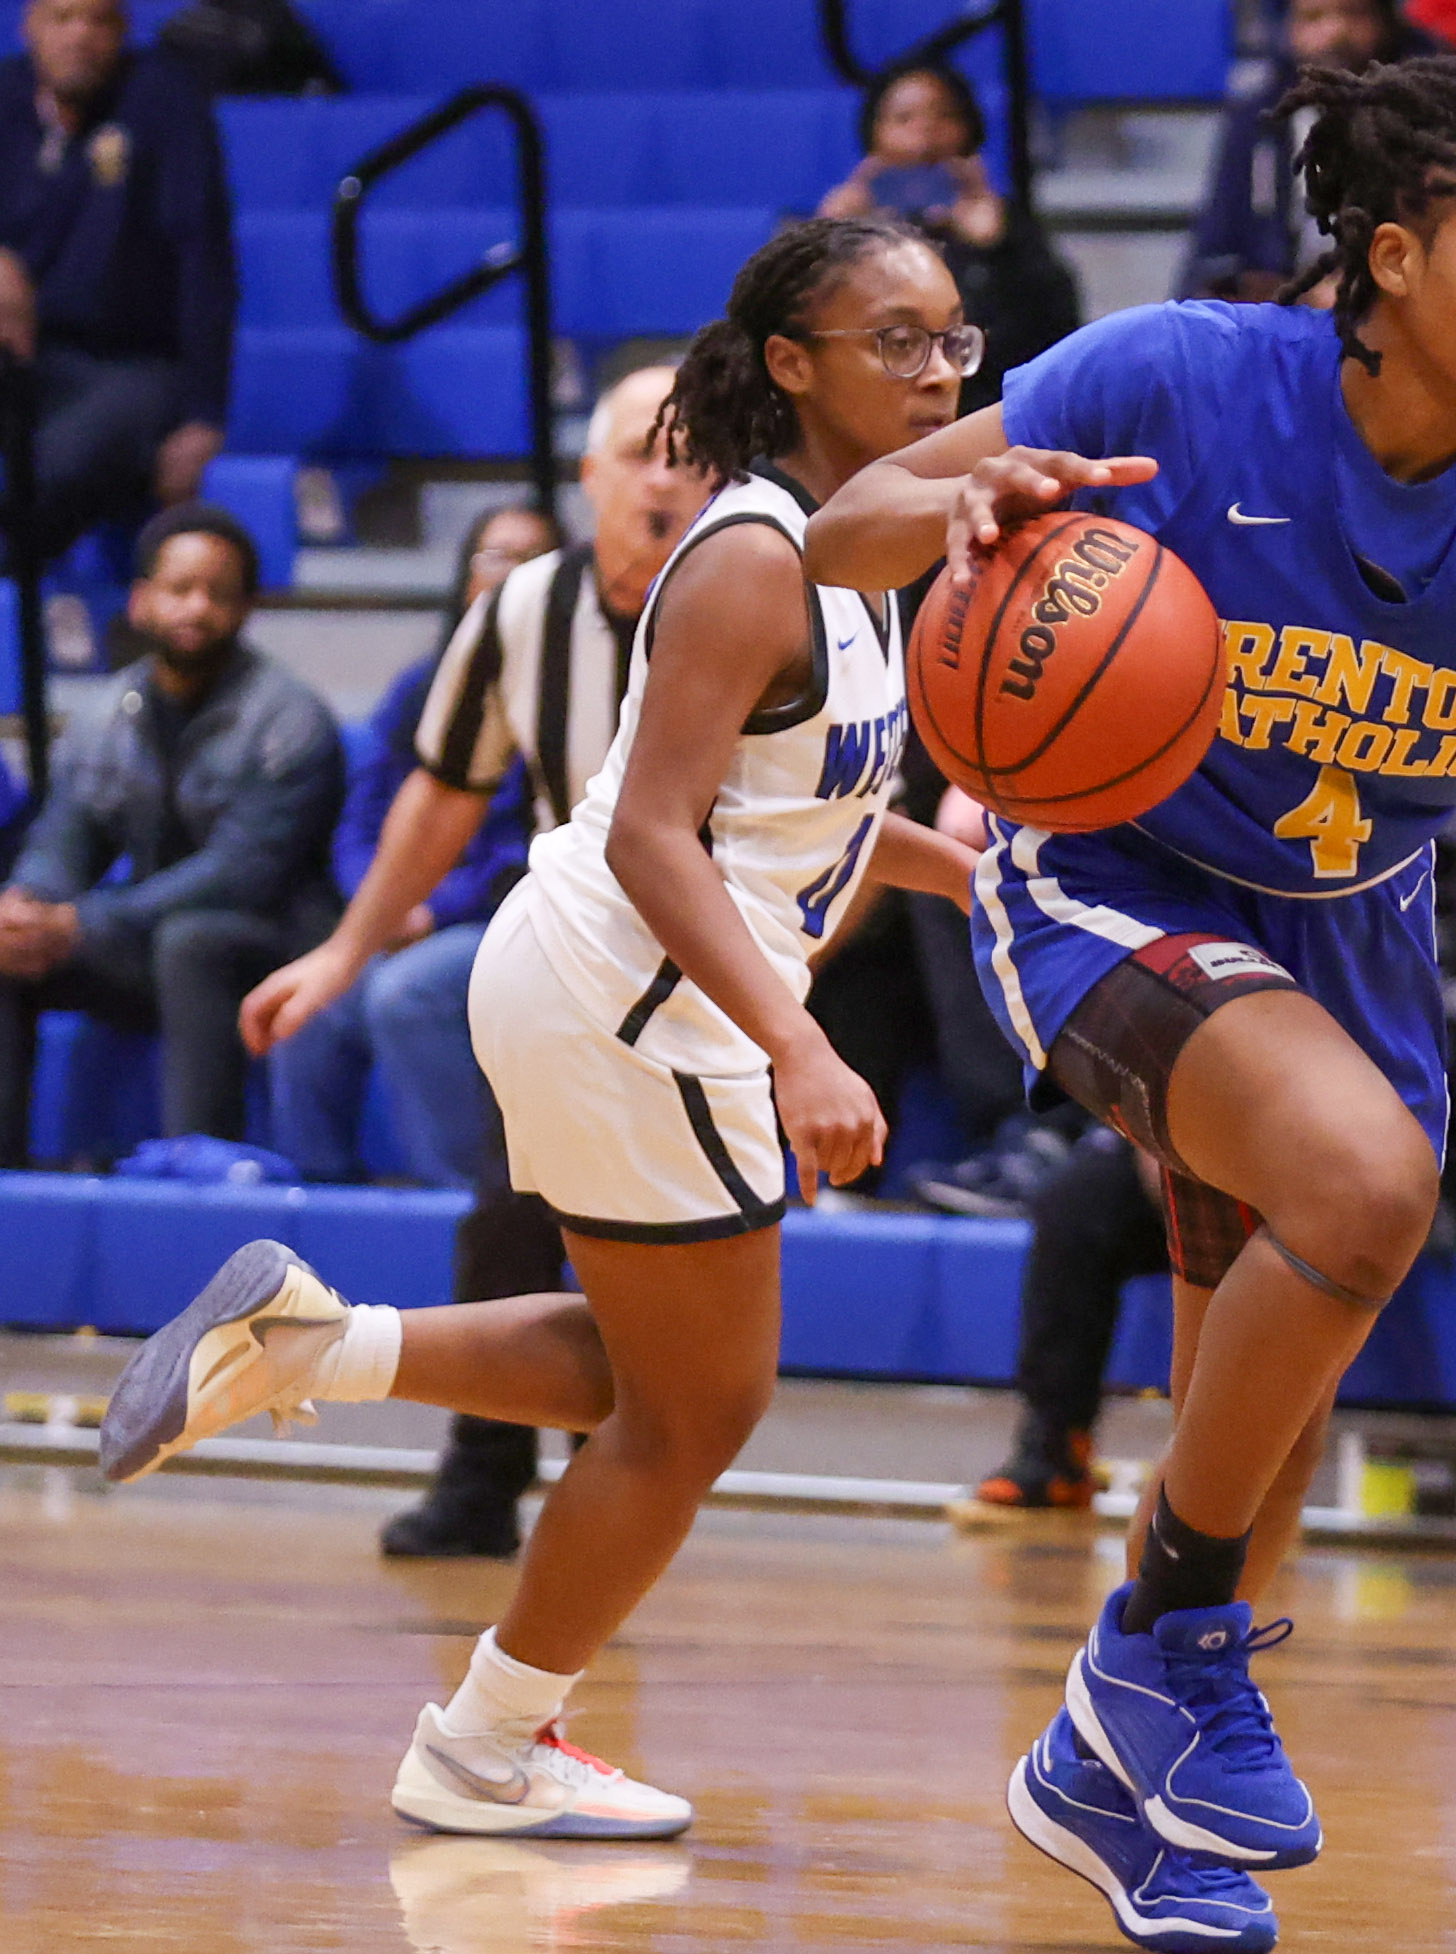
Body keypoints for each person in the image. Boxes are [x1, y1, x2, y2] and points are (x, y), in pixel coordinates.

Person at [807, 54, 1456, 1949]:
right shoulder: (1172, 373)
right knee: (1355, 1188)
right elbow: (829, 534)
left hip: (1350, 920)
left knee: (1253, 1420)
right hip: (1105, 869)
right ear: (1394, 256)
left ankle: (1115, 1794)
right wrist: (953, 494)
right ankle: (1145, 1645)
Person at [100, 217, 983, 1846]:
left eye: (954, 341)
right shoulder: (751, 556)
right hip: (635, 981)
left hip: (622, 975)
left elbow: (793, 810)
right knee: (698, 1407)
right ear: (791, 364)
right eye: (897, 342)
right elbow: (652, 825)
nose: (938, 375)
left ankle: (317, 1355)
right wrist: (798, 1040)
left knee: (672, 1379)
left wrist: (952, 862)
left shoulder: (847, 558)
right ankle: (483, 1742)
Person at [240, 366, 712, 1562]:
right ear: (590, 475)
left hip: (726, 968)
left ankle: (617, 1478)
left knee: (683, 1301)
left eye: (693, 453)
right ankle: (487, 1483)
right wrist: (344, 953)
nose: (668, 473)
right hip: (579, 961)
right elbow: (443, 793)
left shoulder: (752, 596)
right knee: (509, 1217)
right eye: (642, 451)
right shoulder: (526, 610)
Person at [0, 502, 339, 1163]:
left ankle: (201, 1168)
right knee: (6, 950)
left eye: (218, 593)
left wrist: (82, 923)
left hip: (276, 947)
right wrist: (29, 906)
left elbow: (243, 873)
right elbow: (67, 834)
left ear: (246, 610)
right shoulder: (107, 714)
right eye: (180, 589)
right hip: (141, 939)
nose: (196, 609)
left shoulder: (290, 719)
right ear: (139, 601)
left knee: (193, 942)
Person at [267, 505, 559, 1187]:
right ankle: (320, 1203)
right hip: (399, 914)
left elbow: (533, 851)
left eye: (529, 561)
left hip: (509, 921)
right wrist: (378, 906)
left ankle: (463, 1208)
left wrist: (428, 912)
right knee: (306, 1004)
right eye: (492, 558)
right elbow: (361, 819)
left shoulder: (566, 694)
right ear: (464, 578)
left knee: (406, 995)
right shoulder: (419, 689)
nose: (507, 576)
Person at [0, 0, 235, 558]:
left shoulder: (163, 99)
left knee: (55, 464)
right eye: (63, 18)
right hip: (23, 358)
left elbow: (203, 258)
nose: (81, 36)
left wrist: (204, 415)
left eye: (99, 21)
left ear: (124, 30)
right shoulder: (5, 97)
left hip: (133, 364)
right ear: (27, 27)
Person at [818, 61, 1077, 412]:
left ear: (971, 133)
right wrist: (824, 242)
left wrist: (993, 252)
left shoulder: (1005, 230)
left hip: (981, 414)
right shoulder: (838, 229)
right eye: (903, 118)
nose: (925, 132)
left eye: (945, 116)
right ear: (872, 138)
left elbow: (1051, 341)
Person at [966, 1126, 1170, 1511]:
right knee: (1076, 1201)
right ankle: (1056, 1449)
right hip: (1177, 1132)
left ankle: (1260, 1463)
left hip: (1286, 1147)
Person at [1180, 0, 1435, 304]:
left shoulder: (1431, 117)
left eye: (1355, 13)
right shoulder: (1259, 120)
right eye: (1313, 17)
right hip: (1286, 319)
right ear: (1287, 28)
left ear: (1388, 23)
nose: (1336, 31)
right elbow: (1213, 258)